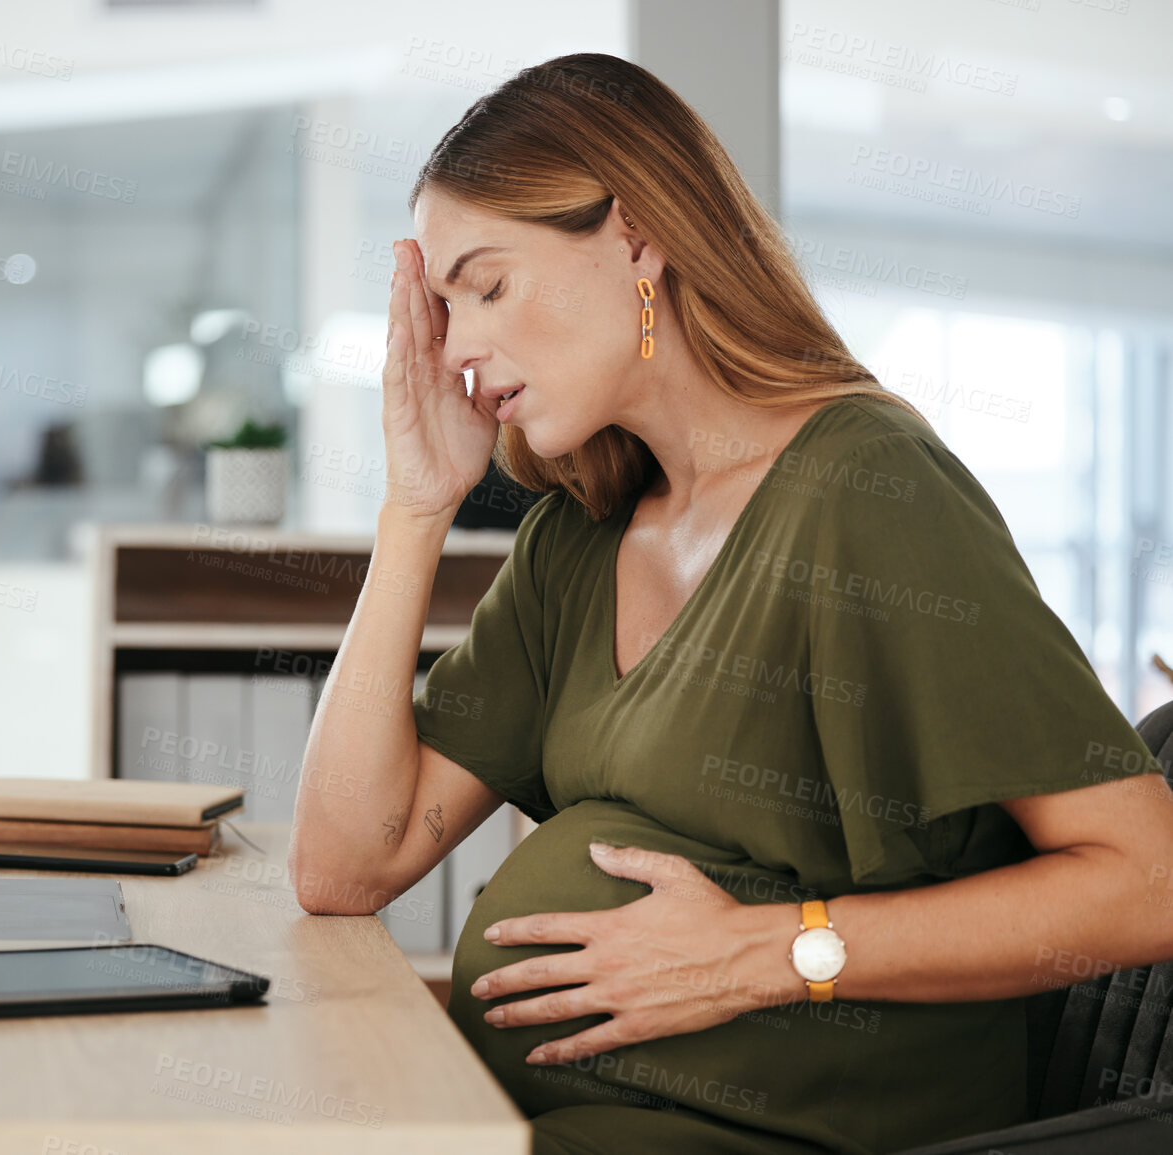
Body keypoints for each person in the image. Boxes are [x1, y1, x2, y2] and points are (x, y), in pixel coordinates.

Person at [286, 52, 1173, 1155]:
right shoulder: (579, 533)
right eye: (443, 307)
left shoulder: (866, 488)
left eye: (489, 285)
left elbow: (1146, 881)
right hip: (533, 1117)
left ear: (639, 236)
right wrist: (414, 509)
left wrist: (765, 953)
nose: (459, 349)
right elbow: (341, 865)